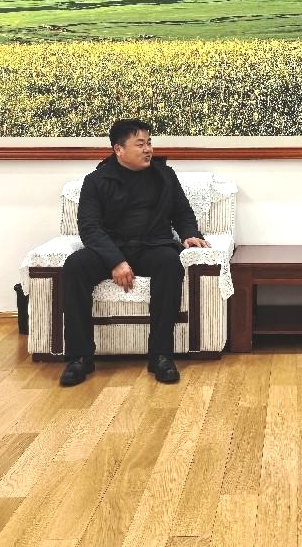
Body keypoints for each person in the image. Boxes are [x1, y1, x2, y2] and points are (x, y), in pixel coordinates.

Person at [59, 119, 209, 387]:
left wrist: (189, 233)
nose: (148, 149)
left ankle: (161, 355)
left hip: (153, 245)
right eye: (140, 144)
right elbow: (89, 228)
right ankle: (80, 357)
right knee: (75, 266)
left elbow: (182, 212)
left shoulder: (164, 175)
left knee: (170, 263)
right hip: (111, 247)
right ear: (118, 149)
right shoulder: (96, 181)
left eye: (149, 143)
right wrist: (115, 260)